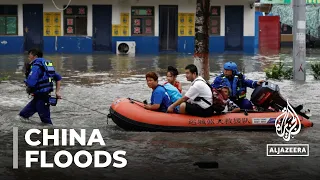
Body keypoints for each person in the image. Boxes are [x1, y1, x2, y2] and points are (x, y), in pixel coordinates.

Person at [19, 49, 62, 125]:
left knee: (46, 123)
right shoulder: (46, 65)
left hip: (42, 99)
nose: (28, 58)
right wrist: (57, 92)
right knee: (23, 115)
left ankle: (52, 134)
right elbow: (58, 78)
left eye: (29, 56)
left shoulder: (36, 66)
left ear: (35, 56)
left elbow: (31, 83)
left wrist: (26, 81)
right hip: (38, 98)